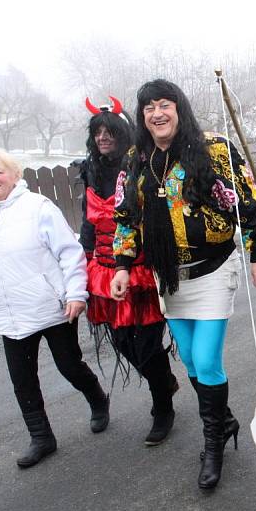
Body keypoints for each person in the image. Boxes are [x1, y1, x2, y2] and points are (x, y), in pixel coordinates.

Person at [110, 79, 256, 490]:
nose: (157, 113)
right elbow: (126, 214)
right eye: (149, 107)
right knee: (191, 360)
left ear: (179, 108)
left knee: (207, 358)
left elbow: (249, 203)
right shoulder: (136, 158)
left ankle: (213, 442)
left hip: (213, 270)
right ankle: (226, 420)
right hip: (169, 277)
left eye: (165, 104)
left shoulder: (213, 147)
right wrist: (122, 265)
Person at [0, 149, 109, 469]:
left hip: (51, 306)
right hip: (9, 312)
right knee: (23, 379)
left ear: (15, 175)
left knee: (69, 366)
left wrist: (76, 294)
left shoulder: (38, 208)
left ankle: (98, 399)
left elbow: (69, 253)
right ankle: (41, 437)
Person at [75, 97, 179, 447]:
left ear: (124, 133)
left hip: (142, 267)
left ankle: (162, 406)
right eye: (98, 132)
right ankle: (164, 382)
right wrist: (81, 261)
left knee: (148, 344)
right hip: (104, 269)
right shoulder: (89, 170)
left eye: (110, 131)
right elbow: (86, 225)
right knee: (122, 341)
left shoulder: (141, 164)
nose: (103, 137)